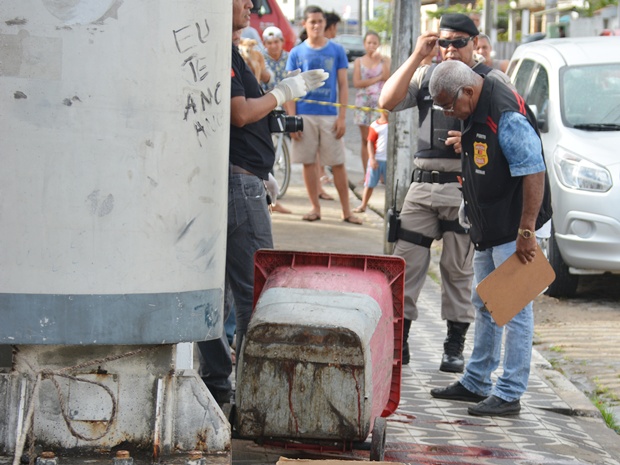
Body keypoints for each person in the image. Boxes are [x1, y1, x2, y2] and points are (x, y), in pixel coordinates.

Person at [197, 0, 328, 406]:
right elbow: (240, 113)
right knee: (257, 292)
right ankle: (256, 394)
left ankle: (218, 384)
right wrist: (283, 92)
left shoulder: (227, 48)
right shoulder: (220, 50)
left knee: (219, 295)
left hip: (241, 180)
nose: (251, 6)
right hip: (239, 185)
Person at [428, 60, 552, 416]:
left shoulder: (505, 114)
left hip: (514, 227)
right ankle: (477, 380)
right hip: (487, 222)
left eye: (450, 106)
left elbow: (533, 170)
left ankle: (510, 391)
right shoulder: (474, 99)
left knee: (513, 308)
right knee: (483, 301)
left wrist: (526, 231)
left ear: (468, 91)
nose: (450, 114)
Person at [379, 14, 499, 371]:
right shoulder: (427, 73)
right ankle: (400, 342)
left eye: (458, 42)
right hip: (421, 184)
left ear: (474, 43)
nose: (449, 49)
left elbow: (509, 132)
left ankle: (454, 346)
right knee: (405, 265)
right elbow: (387, 100)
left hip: (464, 189)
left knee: (458, 271)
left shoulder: (491, 81)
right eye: (443, 42)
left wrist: (473, 141)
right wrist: (418, 56)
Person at [285, 5, 362, 225]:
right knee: (308, 163)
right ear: (305, 24)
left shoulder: (336, 50)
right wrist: (292, 121)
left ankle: (347, 211)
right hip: (304, 116)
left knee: (337, 163)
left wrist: (341, 116)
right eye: (313, 22)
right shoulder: (296, 53)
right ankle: (314, 208)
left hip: (329, 116)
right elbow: (290, 88)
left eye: (320, 22)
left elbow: (343, 86)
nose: (317, 26)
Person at [352, 31, 390, 176]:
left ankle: (380, 173)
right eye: (369, 43)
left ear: (379, 44)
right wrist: (377, 78)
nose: (372, 46)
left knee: (380, 139)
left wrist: (382, 61)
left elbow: (387, 77)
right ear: (364, 44)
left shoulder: (384, 60)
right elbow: (357, 82)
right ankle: (366, 172)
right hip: (363, 102)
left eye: (374, 43)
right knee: (365, 139)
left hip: (379, 103)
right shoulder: (359, 61)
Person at [353, 110, 389, 213]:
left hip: (389, 161)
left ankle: (389, 207)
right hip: (377, 159)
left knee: (389, 186)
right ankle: (363, 205)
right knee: (369, 184)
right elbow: (370, 143)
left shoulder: (395, 125)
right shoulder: (375, 125)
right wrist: (372, 158)